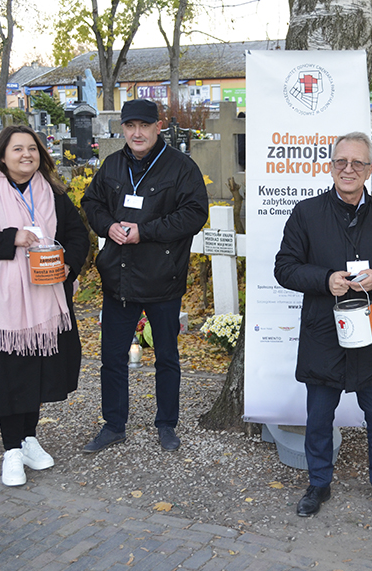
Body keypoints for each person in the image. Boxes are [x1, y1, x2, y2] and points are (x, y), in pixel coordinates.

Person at [274, 132, 372, 521]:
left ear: (370, 170)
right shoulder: (306, 213)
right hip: (324, 332)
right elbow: (284, 267)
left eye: (357, 163)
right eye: (341, 162)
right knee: (319, 419)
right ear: (331, 167)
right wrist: (325, 280)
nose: (348, 169)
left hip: (371, 336)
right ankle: (318, 484)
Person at [0, 125, 89, 486]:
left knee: (37, 371)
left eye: (32, 149)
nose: (26, 155)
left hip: (44, 297)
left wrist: (68, 268)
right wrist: (12, 238)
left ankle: (29, 439)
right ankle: (11, 450)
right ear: (2, 155)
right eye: (18, 149)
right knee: (6, 373)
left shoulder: (53, 193)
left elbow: (77, 235)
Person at [81, 99, 208, 453]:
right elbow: (91, 204)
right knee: (112, 357)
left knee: (166, 357)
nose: (137, 133)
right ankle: (113, 424)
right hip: (118, 278)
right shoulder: (112, 165)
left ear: (157, 127)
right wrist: (108, 226)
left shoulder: (181, 168)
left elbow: (195, 213)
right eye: (130, 126)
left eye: (144, 126)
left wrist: (144, 231)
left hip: (162, 278)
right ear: (123, 128)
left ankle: (167, 424)